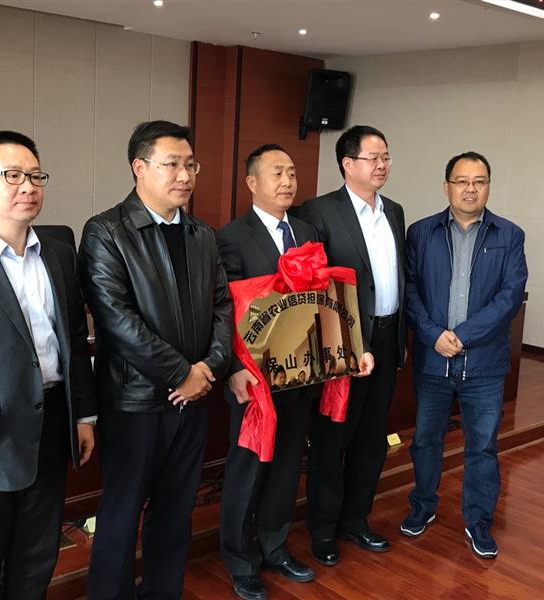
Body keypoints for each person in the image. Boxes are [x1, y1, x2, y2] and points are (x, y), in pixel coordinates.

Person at [80, 121, 232, 599]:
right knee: (121, 515)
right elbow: (116, 319)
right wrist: (182, 373)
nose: (185, 175)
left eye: (191, 165)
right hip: (135, 402)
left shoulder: (202, 233)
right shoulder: (107, 231)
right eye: (172, 164)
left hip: (193, 399)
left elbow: (224, 306)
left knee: (176, 512)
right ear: (139, 167)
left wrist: (208, 369)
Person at [0, 130, 96, 599]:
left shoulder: (58, 251)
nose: (28, 186)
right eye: (12, 175)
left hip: (52, 423)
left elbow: (74, 341)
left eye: (35, 176)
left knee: (37, 558)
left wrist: (83, 416)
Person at [402, 151, 527, 559]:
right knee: (425, 441)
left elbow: (510, 297)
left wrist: (461, 336)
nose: (470, 189)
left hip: (484, 365)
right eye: (462, 181)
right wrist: (433, 335)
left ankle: (478, 520)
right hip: (433, 360)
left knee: (482, 446)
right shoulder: (421, 233)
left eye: (479, 181)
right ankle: (422, 505)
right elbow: (410, 290)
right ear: (447, 187)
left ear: (488, 186)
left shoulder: (510, 235)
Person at [299, 125, 406, 565]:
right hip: (343, 342)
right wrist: (344, 344)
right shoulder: (320, 211)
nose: (382, 165)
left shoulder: (394, 211)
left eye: (386, 157)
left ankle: (355, 520)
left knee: (372, 438)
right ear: (348, 163)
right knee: (332, 439)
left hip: (387, 336)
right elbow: (314, 287)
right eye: (373, 157)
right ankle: (323, 529)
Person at [216, 144, 318, 600]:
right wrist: (234, 368)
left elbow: (318, 299)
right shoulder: (231, 237)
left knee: (286, 467)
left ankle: (275, 547)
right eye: (277, 173)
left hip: (300, 373)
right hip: (253, 378)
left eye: (291, 172)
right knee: (248, 470)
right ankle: (240, 560)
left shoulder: (306, 231)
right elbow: (226, 310)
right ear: (251, 182)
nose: (287, 181)